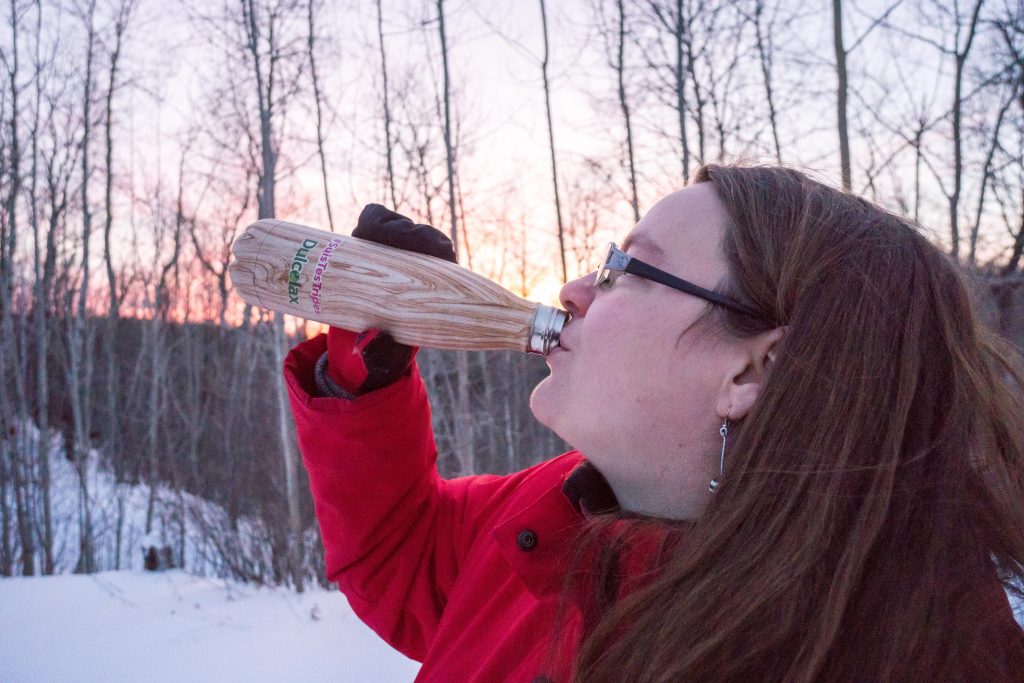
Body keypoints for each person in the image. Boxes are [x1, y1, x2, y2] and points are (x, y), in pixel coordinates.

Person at [283, 164, 1024, 682]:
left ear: (751, 371)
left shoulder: (908, 649)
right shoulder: (559, 510)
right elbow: (403, 559)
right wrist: (363, 376)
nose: (573, 289)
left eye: (625, 270)